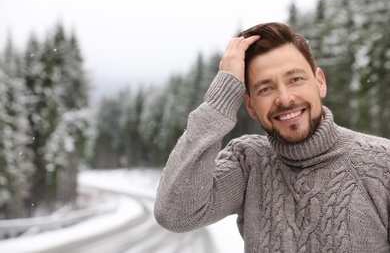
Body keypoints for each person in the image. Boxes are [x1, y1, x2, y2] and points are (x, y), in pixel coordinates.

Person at [153, 22, 390, 252]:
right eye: (265, 88)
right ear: (251, 105)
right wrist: (219, 100)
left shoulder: (382, 164)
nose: (285, 99)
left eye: (295, 79)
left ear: (320, 82)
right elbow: (175, 214)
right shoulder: (248, 164)